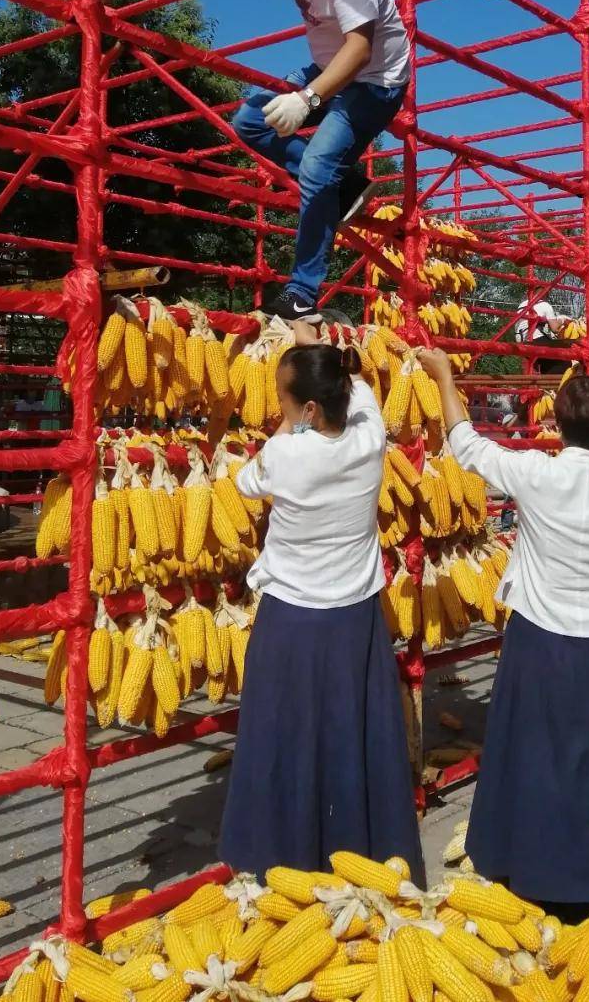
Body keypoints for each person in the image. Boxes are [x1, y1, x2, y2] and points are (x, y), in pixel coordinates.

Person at [418, 348, 589, 910]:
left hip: (541, 636)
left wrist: (445, 377)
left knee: (536, 756)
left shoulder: (534, 473)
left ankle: (537, 867)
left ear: (556, 423)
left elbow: (465, 444)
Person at [219, 320, 422, 880]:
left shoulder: (283, 456)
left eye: (282, 399)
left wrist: (290, 420)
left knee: (286, 736)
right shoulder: (369, 441)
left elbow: (241, 483)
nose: (277, 409)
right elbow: (364, 396)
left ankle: (279, 854)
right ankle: (358, 847)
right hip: (355, 617)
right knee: (347, 733)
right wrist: (324, 355)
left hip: (292, 619)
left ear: (307, 409)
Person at [230, 0, 409, 322]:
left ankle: (302, 292)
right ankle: (341, 183)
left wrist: (308, 98)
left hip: (375, 78)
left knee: (314, 165)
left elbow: (360, 49)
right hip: (329, 65)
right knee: (249, 121)